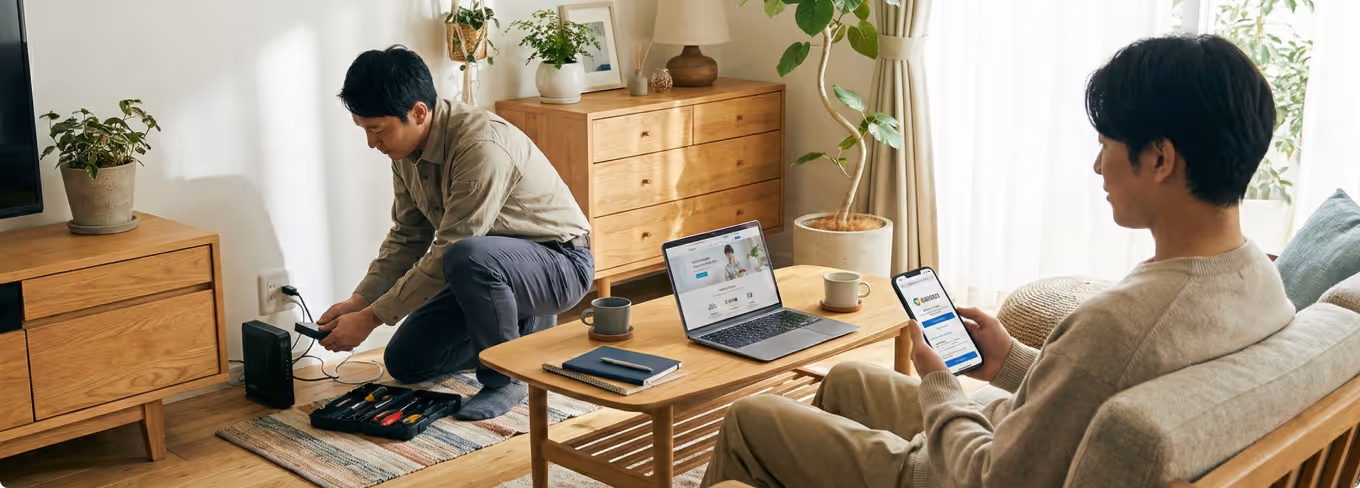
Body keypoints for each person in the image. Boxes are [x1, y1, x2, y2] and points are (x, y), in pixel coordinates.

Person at [701, 34, 1294, 488]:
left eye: (1106, 146)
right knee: (849, 378)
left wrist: (939, 384)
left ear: (1160, 159)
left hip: (954, 473)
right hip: (1020, 441)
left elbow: (989, 477)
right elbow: (1097, 385)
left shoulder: (1120, 324)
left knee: (752, 418)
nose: (1098, 167)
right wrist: (1011, 361)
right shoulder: (1259, 277)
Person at [316, 46, 594, 420]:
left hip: (559, 263)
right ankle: (519, 333)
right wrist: (361, 301)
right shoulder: (404, 152)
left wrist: (371, 318)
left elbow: (454, 246)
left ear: (418, 112)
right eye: (364, 130)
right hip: (485, 271)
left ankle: (507, 377)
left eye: (376, 129)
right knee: (406, 361)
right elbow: (408, 235)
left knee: (464, 254)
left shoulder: (480, 146)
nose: (371, 142)